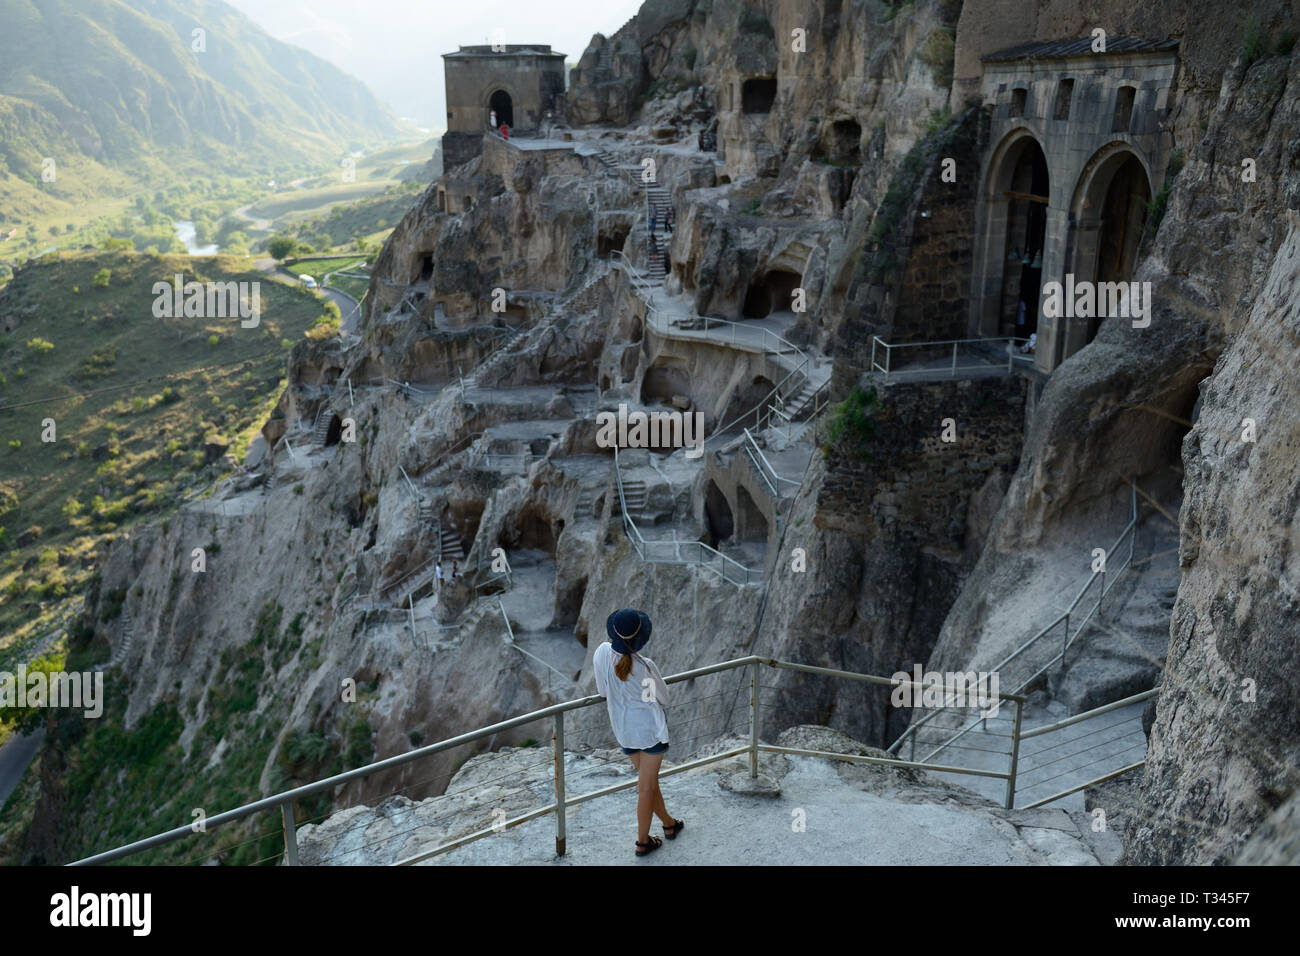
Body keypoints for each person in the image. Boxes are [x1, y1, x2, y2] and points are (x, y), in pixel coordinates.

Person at [593, 608, 683, 857]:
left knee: (649, 783)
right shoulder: (645, 666)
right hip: (650, 733)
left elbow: (602, 691)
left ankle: (669, 824)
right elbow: (664, 698)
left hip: (624, 732)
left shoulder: (601, 653)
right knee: (646, 787)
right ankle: (643, 842)